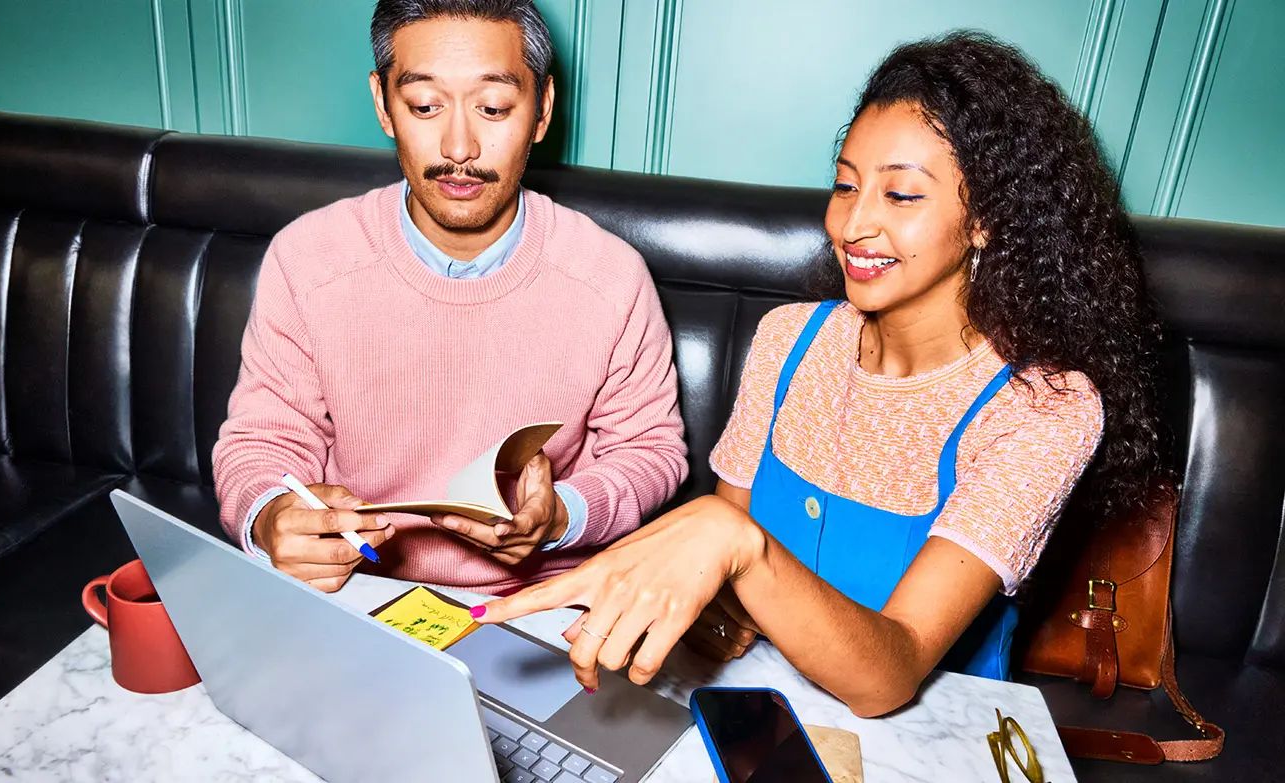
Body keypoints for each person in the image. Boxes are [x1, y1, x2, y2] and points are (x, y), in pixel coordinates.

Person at [471, 31, 1165, 717]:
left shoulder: (1045, 408)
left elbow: (887, 675)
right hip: (753, 711)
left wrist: (734, 545)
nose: (854, 223)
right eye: (845, 184)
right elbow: (723, 578)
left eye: (902, 196)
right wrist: (711, 601)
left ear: (984, 218)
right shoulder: (790, 341)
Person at [213, 0, 687, 594]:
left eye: (492, 107)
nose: (458, 146)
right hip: (359, 589)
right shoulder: (308, 258)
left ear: (541, 111)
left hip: (543, 603)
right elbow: (263, 438)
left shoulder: (610, 276)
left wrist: (563, 514)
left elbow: (650, 450)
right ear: (384, 105)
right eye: (425, 106)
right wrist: (271, 517)